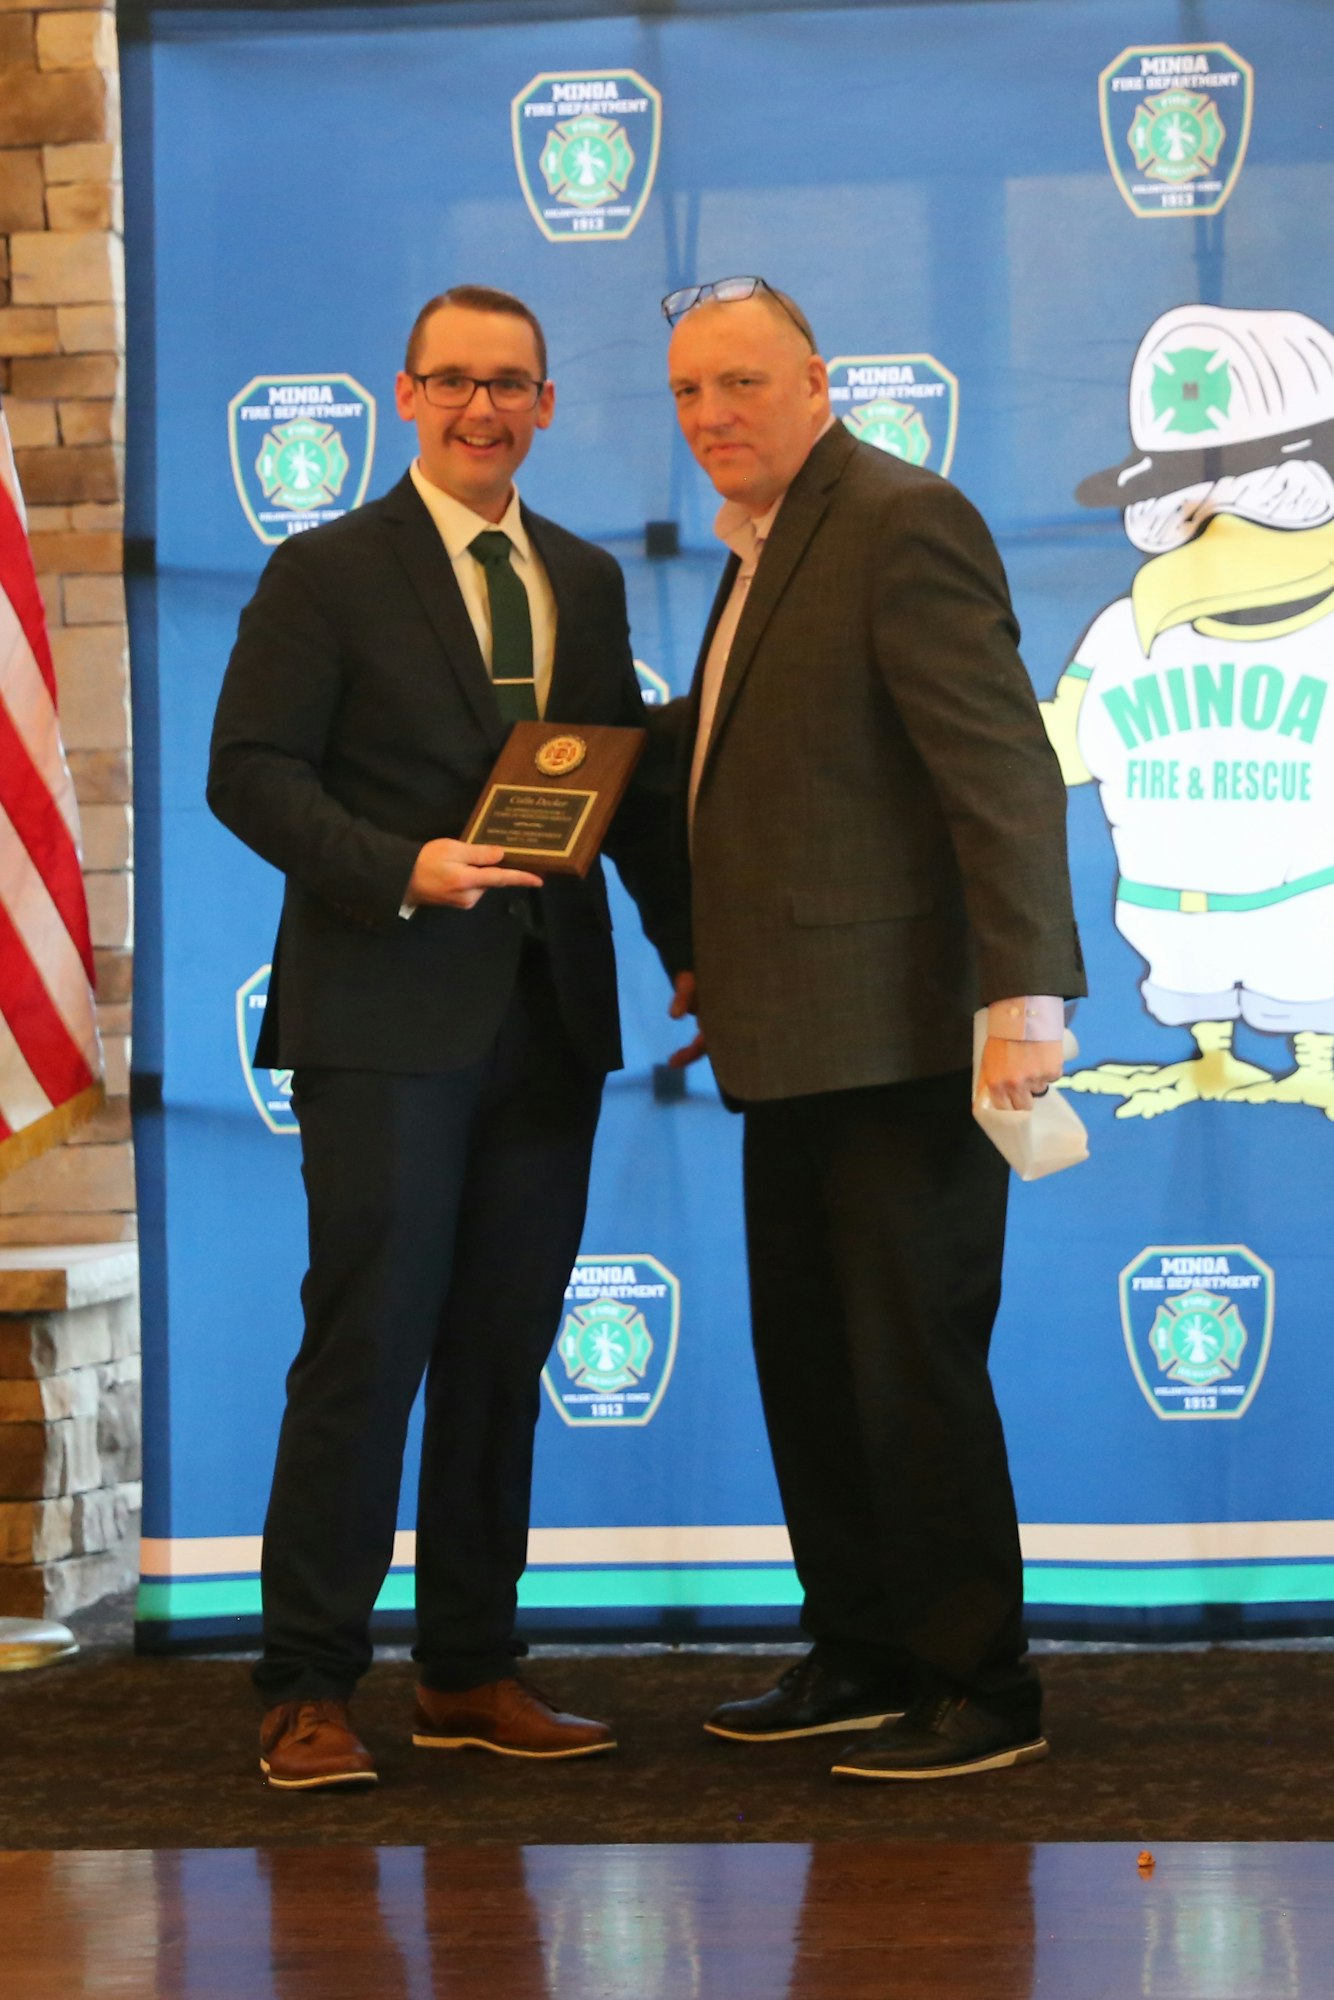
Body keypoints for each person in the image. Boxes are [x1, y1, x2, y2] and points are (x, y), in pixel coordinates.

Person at [209, 284, 684, 1789]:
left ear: (547, 405)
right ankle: (306, 1687)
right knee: (368, 1346)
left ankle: (471, 1669)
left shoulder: (587, 580)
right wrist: (388, 867)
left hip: (545, 1023)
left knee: (498, 1355)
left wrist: (695, 953)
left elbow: (620, 792)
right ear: (404, 396)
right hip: (384, 1015)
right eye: (456, 382)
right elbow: (249, 773)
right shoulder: (322, 571)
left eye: (514, 385)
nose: (485, 409)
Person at [660, 276, 1085, 1780]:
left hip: (912, 1039)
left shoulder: (899, 517)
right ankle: (860, 1650)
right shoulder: (764, 542)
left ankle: (981, 1687)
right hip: (793, 1040)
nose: (712, 416)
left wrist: (1023, 998)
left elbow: (1000, 771)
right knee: (817, 1367)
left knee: (909, 1370)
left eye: (741, 384)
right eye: (688, 394)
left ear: (816, 379)